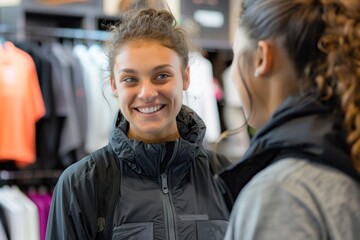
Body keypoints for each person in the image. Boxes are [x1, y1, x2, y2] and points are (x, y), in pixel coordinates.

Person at [46, 8, 230, 240]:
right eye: (130, 79)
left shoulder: (224, 177)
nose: (146, 93)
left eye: (161, 76)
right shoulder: (81, 184)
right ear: (114, 85)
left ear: (185, 77)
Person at [220, 0, 360, 239]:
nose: (233, 74)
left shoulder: (281, 192)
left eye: (235, 55)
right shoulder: (347, 153)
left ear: (262, 58)